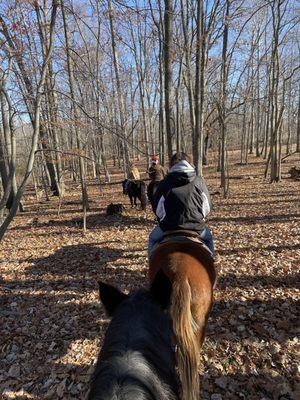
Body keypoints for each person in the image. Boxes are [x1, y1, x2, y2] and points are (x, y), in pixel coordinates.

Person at [148, 152, 214, 259]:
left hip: (169, 227)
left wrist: (165, 220)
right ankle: (212, 262)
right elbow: (207, 206)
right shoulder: (199, 181)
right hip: (196, 227)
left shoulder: (164, 183)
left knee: (152, 239)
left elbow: (158, 210)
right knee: (208, 239)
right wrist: (199, 218)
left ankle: (151, 265)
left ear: (171, 165)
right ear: (189, 163)